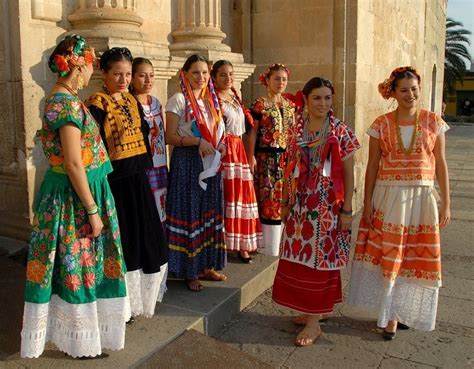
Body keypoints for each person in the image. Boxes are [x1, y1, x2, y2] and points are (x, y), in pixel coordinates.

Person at [20, 35, 129, 358]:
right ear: (77, 66)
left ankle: (83, 336)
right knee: (76, 267)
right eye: (88, 67)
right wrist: (93, 210)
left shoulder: (65, 99)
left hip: (79, 194)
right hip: (73, 199)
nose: (90, 73)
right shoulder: (64, 104)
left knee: (80, 266)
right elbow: (72, 162)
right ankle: (79, 340)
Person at [348, 66, 451, 340]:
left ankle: (401, 309)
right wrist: (366, 203)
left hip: (422, 197)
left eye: (414, 89)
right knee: (391, 255)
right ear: (393, 93)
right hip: (389, 195)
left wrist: (446, 203)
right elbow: (372, 166)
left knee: (412, 256)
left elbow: (440, 163)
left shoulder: (433, 121)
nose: (410, 94)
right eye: (404, 90)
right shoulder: (380, 124)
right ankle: (390, 315)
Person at [272, 77, 360, 346]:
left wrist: (347, 210)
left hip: (327, 207)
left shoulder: (340, 132)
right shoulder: (297, 131)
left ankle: (313, 323)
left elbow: (348, 172)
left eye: (328, 98)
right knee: (299, 259)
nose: (323, 103)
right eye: (317, 98)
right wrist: (286, 202)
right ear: (306, 101)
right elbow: (288, 170)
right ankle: (310, 311)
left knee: (320, 261)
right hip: (300, 205)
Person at [86, 47, 168, 318]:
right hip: (116, 182)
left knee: (146, 236)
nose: (123, 80)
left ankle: (137, 303)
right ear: (104, 73)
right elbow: (92, 147)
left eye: (127, 74)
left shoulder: (133, 101)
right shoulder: (97, 103)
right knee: (125, 241)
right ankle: (120, 307)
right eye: (117, 74)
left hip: (139, 178)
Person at [165, 54, 227, 292]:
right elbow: (170, 137)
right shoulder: (178, 100)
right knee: (191, 212)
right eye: (195, 73)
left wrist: (219, 144)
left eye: (204, 73)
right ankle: (189, 271)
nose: (200, 77)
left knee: (208, 211)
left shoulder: (211, 101)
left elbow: (218, 132)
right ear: (185, 74)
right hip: (188, 161)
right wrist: (196, 141)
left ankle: (206, 265)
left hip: (210, 161)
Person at [211, 60, 263, 263]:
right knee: (228, 196)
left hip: (238, 150)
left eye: (230, 74)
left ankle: (242, 244)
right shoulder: (213, 99)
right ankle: (224, 244)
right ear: (214, 77)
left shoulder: (234, 96)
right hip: (224, 150)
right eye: (223, 74)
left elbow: (247, 129)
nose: (228, 78)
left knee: (242, 196)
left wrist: (250, 157)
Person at [247, 63, 295, 256]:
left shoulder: (290, 105)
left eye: (284, 79)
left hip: (286, 159)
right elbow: (252, 132)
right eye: (276, 78)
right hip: (266, 157)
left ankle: (280, 242)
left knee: (284, 197)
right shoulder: (260, 104)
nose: (280, 83)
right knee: (266, 197)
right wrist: (250, 156)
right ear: (267, 80)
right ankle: (264, 243)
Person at [131, 57, 168, 224]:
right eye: (142, 75)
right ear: (132, 77)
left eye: (152, 75)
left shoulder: (157, 103)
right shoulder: (129, 103)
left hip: (160, 164)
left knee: (162, 208)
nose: (148, 80)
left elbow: (164, 136)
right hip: (142, 166)